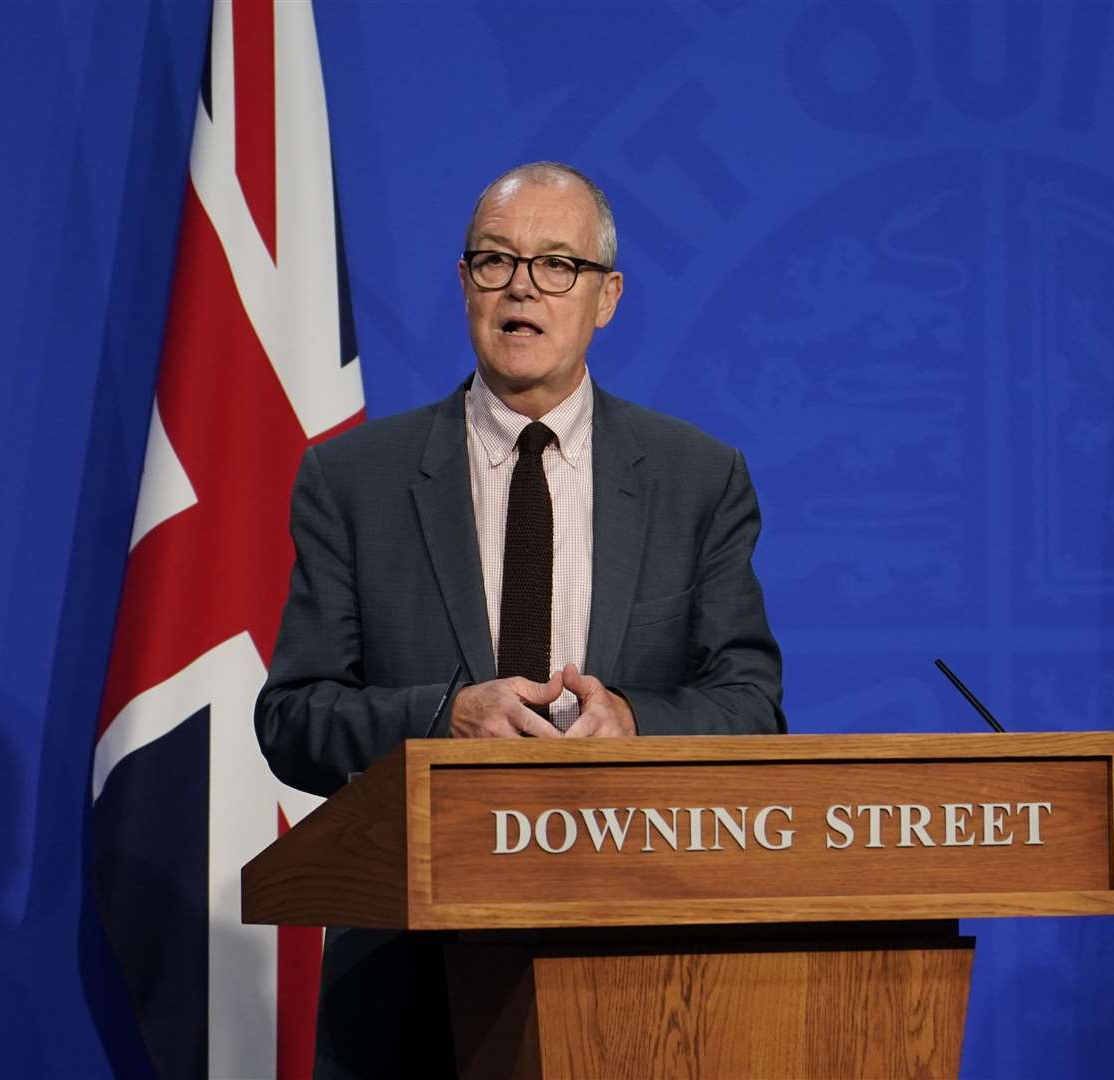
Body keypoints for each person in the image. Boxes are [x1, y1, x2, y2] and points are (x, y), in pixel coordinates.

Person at [254, 161, 785, 1077]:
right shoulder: (355, 484)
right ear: (464, 285)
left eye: (555, 266)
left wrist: (637, 721)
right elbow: (294, 718)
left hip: (638, 981)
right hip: (406, 987)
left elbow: (751, 705)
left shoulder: (699, 480)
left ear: (606, 297)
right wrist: (443, 717)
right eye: (495, 261)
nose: (521, 289)